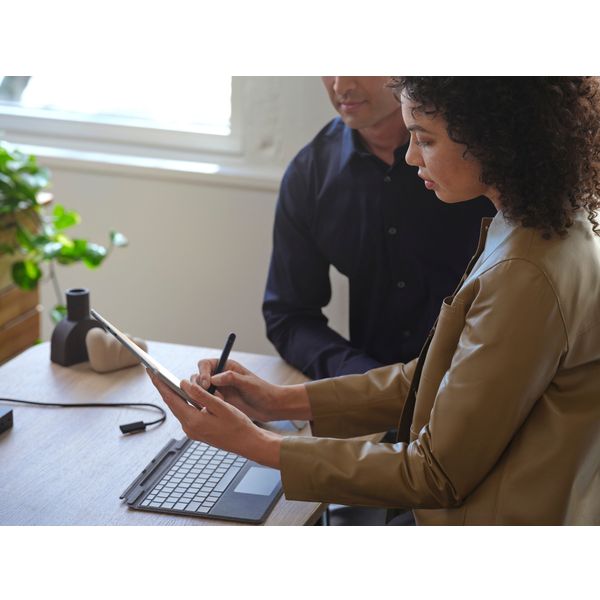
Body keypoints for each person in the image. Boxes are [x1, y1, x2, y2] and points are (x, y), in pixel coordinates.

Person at [150, 77, 600, 525]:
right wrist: (278, 402)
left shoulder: (525, 273)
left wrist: (254, 443)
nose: (410, 155)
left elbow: (434, 473)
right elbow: (436, 379)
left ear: (492, 137)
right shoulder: (533, 227)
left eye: (424, 139)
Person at [263, 76, 495, 380]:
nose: (339, 85)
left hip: (477, 388)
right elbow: (289, 316)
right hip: (371, 405)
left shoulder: (477, 159)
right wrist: (362, 377)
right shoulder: (311, 172)